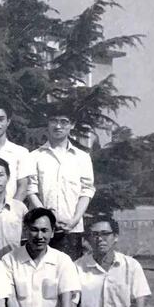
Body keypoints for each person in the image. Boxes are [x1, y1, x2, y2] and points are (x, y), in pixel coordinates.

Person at [27, 106, 95, 260]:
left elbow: (87, 191)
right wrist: (47, 219)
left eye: (64, 122)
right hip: (41, 230)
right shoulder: (34, 156)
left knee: (69, 272)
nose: (58, 126)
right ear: (47, 123)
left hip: (71, 229)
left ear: (72, 125)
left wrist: (74, 220)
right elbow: (31, 191)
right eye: (54, 121)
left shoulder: (82, 157)